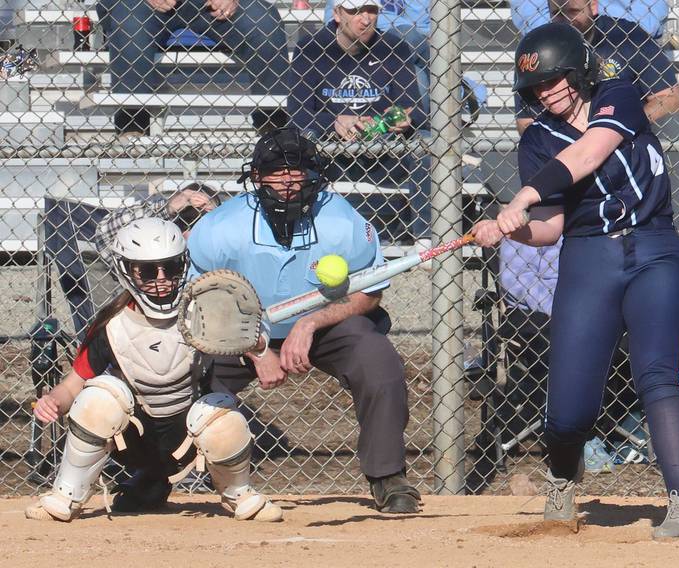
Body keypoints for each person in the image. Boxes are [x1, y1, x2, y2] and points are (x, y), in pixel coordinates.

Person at [470, 23, 679, 539]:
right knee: (570, 407)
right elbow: (550, 226)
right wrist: (507, 229)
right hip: (588, 258)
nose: (547, 92)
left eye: (557, 80)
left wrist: (520, 199)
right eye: (537, 87)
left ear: (580, 72)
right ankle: (562, 476)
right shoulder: (536, 139)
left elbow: (587, 155)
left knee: (658, 376)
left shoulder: (617, 96)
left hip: (654, 247)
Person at [186, 127, 422, 514]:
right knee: (185, 368)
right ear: (256, 178)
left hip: (323, 326)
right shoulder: (219, 229)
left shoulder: (344, 222)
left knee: (377, 357)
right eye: (277, 172)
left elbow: (370, 291)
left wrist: (309, 324)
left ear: (316, 176)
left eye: (298, 171)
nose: (289, 181)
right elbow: (205, 300)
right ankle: (169, 470)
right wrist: (258, 349)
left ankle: (388, 477)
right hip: (240, 329)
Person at [25, 217, 282, 522]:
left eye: (170, 268)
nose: (161, 279)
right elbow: (72, 385)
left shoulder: (203, 313)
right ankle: (66, 495)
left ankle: (238, 495)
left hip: (188, 440)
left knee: (218, 410)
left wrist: (260, 350)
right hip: (135, 442)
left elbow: (250, 342)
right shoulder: (113, 324)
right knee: (102, 396)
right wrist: (53, 401)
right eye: (147, 271)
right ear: (126, 271)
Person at [515, 0, 679, 256]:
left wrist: (619, 126)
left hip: (633, 142)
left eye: (571, 12)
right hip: (568, 147)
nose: (564, 21)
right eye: (556, 13)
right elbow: (527, 124)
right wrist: (583, 140)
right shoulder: (543, 47)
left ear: (593, 6)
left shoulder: (626, 36)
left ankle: (671, 232)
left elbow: (670, 99)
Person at [287, 0, 431, 244]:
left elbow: (415, 110)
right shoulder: (311, 47)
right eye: (355, 12)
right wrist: (334, 121)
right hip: (330, 151)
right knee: (294, 144)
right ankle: (298, 236)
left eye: (372, 11)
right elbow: (297, 115)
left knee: (427, 144)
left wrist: (405, 119)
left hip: (385, 150)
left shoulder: (394, 47)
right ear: (337, 14)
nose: (365, 20)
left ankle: (426, 239)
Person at [94, 0, 289, 136]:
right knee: (130, 25)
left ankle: (272, 122)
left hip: (211, 5)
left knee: (265, 26)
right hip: (143, 5)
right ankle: (132, 123)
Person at [93, 183, 221, 269]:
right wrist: (167, 209)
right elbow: (104, 234)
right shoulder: (149, 269)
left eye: (202, 222)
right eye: (185, 221)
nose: (190, 232)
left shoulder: (224, 265)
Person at [510, 0, 669, 38]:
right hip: (559, 49)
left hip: (627, 46)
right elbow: (533, 17)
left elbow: (652, 14)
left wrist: (619, 29)